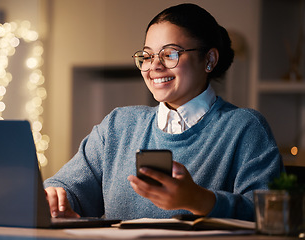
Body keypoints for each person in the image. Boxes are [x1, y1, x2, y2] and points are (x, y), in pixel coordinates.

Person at [43, 3, 283, 221]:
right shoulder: (118, 125)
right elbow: (67, 187)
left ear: (209, 59)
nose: (154, 66)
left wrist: (199, 200)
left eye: (170, 54)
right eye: (146, 56)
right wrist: (57, 196)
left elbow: (272, 215)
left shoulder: (244, 127)